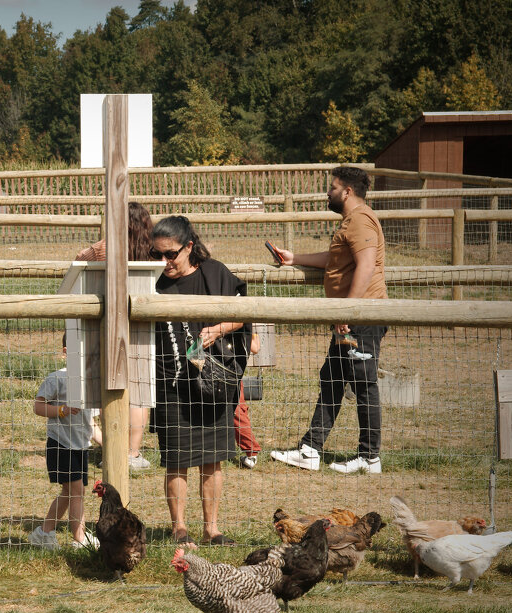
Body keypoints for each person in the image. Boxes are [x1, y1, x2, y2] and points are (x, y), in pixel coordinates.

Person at [270, 166, 388, 475]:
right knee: (332, 379)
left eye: (332, 187)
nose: (328, 192)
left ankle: (369, 457)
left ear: (347, 192)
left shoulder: (361, 220)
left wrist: (346, 311)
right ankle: (310, 450)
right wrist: (294, 258)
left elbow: (366, 266)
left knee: (363, 383)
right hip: (351, 319)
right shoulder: (352, 221)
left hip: (360, 319)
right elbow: (336, 260)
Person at [149, 215, 249, 547]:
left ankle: (212, 529)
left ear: (189, 247)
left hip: (213, 384)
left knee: (212, 457)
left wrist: (219, 328)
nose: (163, 262)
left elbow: (243, 314)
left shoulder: (216, 273)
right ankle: (179, 527)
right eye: (156, 255)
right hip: (170, 382)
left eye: (170, 254)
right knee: (176, 458)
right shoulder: (152, 281)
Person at [75, 202, 156, 470]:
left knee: (111, 383)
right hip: (143, 324)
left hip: (108, 325)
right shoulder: (153, 249)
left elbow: (80, 257)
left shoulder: (105, 248)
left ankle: (113, 447)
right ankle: (132, 452)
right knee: (139, 389)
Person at [29, 334, 101, 550]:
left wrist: (107, 445)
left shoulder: (91, 382)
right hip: (60, 444)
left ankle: (44, 532)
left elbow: (92, 423)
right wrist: (62, 410)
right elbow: (38, 407)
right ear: (65, 352)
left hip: (80, 446)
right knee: (76, 491)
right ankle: (80, 539)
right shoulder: (57, 378)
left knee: (70, 493)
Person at [234, 331, 262, 469]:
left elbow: (255, 347)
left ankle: (251, 452)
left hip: (226, 371)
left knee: (236, 411)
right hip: (226, 370)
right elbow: (256, 346)